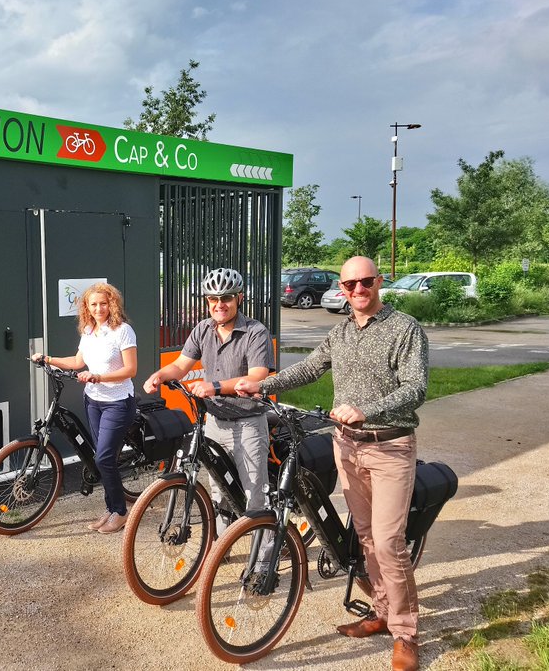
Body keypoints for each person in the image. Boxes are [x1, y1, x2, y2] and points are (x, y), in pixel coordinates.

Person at [235, 256, 429, 671]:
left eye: (364, 283)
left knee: (389, 542)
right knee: (365, 538)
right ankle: (380, 613)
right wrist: (261, 385)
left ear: (378, 282)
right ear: (341, 288)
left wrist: (367, 409)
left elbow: (415, 387)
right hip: (348, 446)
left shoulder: (404, 328)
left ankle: (406, 633)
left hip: (390, 446)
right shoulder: (340, 331)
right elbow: (309, 368)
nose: (357, 290)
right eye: (349, 285)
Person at [143, 267, 274, 534]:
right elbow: (180, 365)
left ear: (240, 298)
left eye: (226, 298)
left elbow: (257, 377)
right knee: (220, 490)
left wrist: (214, 386)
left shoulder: (255, 332)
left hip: (247, 422)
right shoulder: (203, 329)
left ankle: (263, 564)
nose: (219, 304)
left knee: (254, 494)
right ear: (207, 302)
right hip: (214, 421)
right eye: (213, 299)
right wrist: (158, 376)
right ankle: (222, 547)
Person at [33, 282, 138, 534]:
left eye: (103, 303)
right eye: (93, 304)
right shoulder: (89, 331)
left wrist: (98, 377)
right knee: (101, 458)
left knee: (103, 458)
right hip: (93, 401)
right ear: (87, 308)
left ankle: (121, 512)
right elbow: (78, 361)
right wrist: (48, 358)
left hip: (118, 402)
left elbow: (130, 370)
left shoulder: (123, 331)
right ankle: (111, 507)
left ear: (111, 304)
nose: (99, 308)